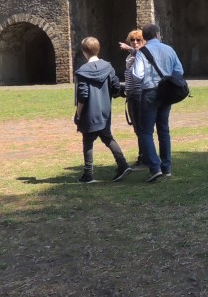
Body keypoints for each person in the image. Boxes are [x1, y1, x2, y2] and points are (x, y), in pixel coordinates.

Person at [73, 36, 132, 183]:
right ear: (98, 49)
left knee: (87, 141)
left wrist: (78, 114)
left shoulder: (82, 71)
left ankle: (88, 174)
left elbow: (83, 96)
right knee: (107, 137)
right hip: (105, 110)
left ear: (84, 52)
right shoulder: (108, 67)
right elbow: (116, 87)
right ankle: (123, 164)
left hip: (89, 112)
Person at [132, 23, 184, 182]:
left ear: (144, 37)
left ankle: (154, 167)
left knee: (145, 131)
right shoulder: (169, 49)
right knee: (163, 130)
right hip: (165, 92)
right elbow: (179, 71)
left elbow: (137, 74)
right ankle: (166, 167)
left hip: (149, 92)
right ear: (158, 34)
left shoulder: (142, 52)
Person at [118, 29, 148, 169]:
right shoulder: (130, 57)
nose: (135, 43)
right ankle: (144, 156)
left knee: (142, 128)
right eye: (132, 40)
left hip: (139, 94)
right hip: (131, 95)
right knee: (137, 128)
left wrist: (130, 49)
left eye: (138, 40)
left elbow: (141, 55)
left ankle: (145, 158)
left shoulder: (143, 54)